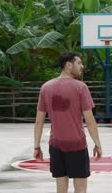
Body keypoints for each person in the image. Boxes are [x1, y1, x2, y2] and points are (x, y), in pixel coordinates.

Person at [33, 51, 102, 193]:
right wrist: (97, 144)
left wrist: (36, 147)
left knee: (61, 189)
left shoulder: (46, 87)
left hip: (56, 145)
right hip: (77, 145)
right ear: (69, 65)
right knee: (81, 189)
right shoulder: (81, 87)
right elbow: (90, 120)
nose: (82, 66)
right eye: (79, 63)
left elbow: (39, 122)